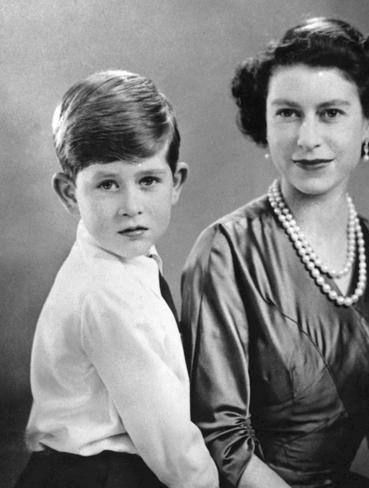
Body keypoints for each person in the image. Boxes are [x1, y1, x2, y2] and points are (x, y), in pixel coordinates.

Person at [181, 17, 369, 488]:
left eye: (330, 113)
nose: (307, 138)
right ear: (264, 122)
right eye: (287, 112)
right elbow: (219, 441)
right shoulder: (226, 250)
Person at [15, 70, 219, 488]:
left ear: (175, 181)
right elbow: (174, 453)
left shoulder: (124, 264)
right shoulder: (109, 294)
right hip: (96, 475)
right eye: (107, 184)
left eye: (148, 180)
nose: (132, 206)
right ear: (70, 193)